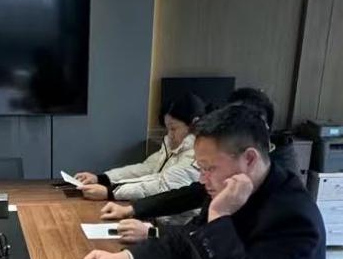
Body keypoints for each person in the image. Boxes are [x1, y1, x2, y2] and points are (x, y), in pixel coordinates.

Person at [81, 101, 325, 259]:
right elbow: (188, 239)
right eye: (201, 168)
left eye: (209, 168)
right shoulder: (228, 188)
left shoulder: (294, 216)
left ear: (250, 159)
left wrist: (219, 216)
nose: (202, 179)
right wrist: (126, 258)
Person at [101, 87, 278, 239]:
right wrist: (134, 209)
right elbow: (189, 203)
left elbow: (226, 254)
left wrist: (219, 216)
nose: (203, 178)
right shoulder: (223, 169)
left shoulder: (283, 209)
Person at [71, 91, 206, 204]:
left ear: (194, 123)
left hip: (175, 223)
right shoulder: (174, 146)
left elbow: (162, 185)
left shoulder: (198, 155)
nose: (169, 135)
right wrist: (101, 178)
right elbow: (146, 169)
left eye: (173, 128)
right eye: (167, 129)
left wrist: (110, 191)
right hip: (152, 213)